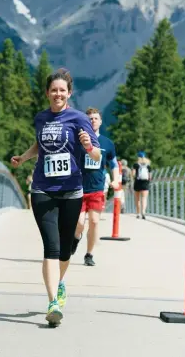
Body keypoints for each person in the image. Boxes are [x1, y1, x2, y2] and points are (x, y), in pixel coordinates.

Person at [11, 68, 101, 326]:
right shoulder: (41, 118)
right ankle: (52, 302)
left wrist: (87, 146)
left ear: (69, 93)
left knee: (64, 248)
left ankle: (60, 283)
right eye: (54, 90)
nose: (58, 94)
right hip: (42, 189)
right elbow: (40, 144)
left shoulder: (79, 119)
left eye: (62, 90)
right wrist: (23, 157)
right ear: (48, 93)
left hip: (72, 190)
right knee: (50, 246)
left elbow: (96, 155)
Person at [71, 107, 119, 266]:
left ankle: (89, 254)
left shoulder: (107, 143)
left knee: (94, 221)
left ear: (100, 121)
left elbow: (113, 164)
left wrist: (115, 180)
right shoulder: (78, 140)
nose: (93, 121)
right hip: (78, 188)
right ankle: (76, 238)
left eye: (95, 118)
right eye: (89, 118)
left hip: (97, 188)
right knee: (79, 223)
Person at [132, 151, 152, 219]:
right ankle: (143, 212)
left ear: (138, 157)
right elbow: (150, 176)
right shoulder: (148, 165)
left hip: (137, 182)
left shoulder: (136, 164)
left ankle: (138, 213)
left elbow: (133, 174)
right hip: (145, 182)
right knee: (144, 198)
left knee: (137, 199)